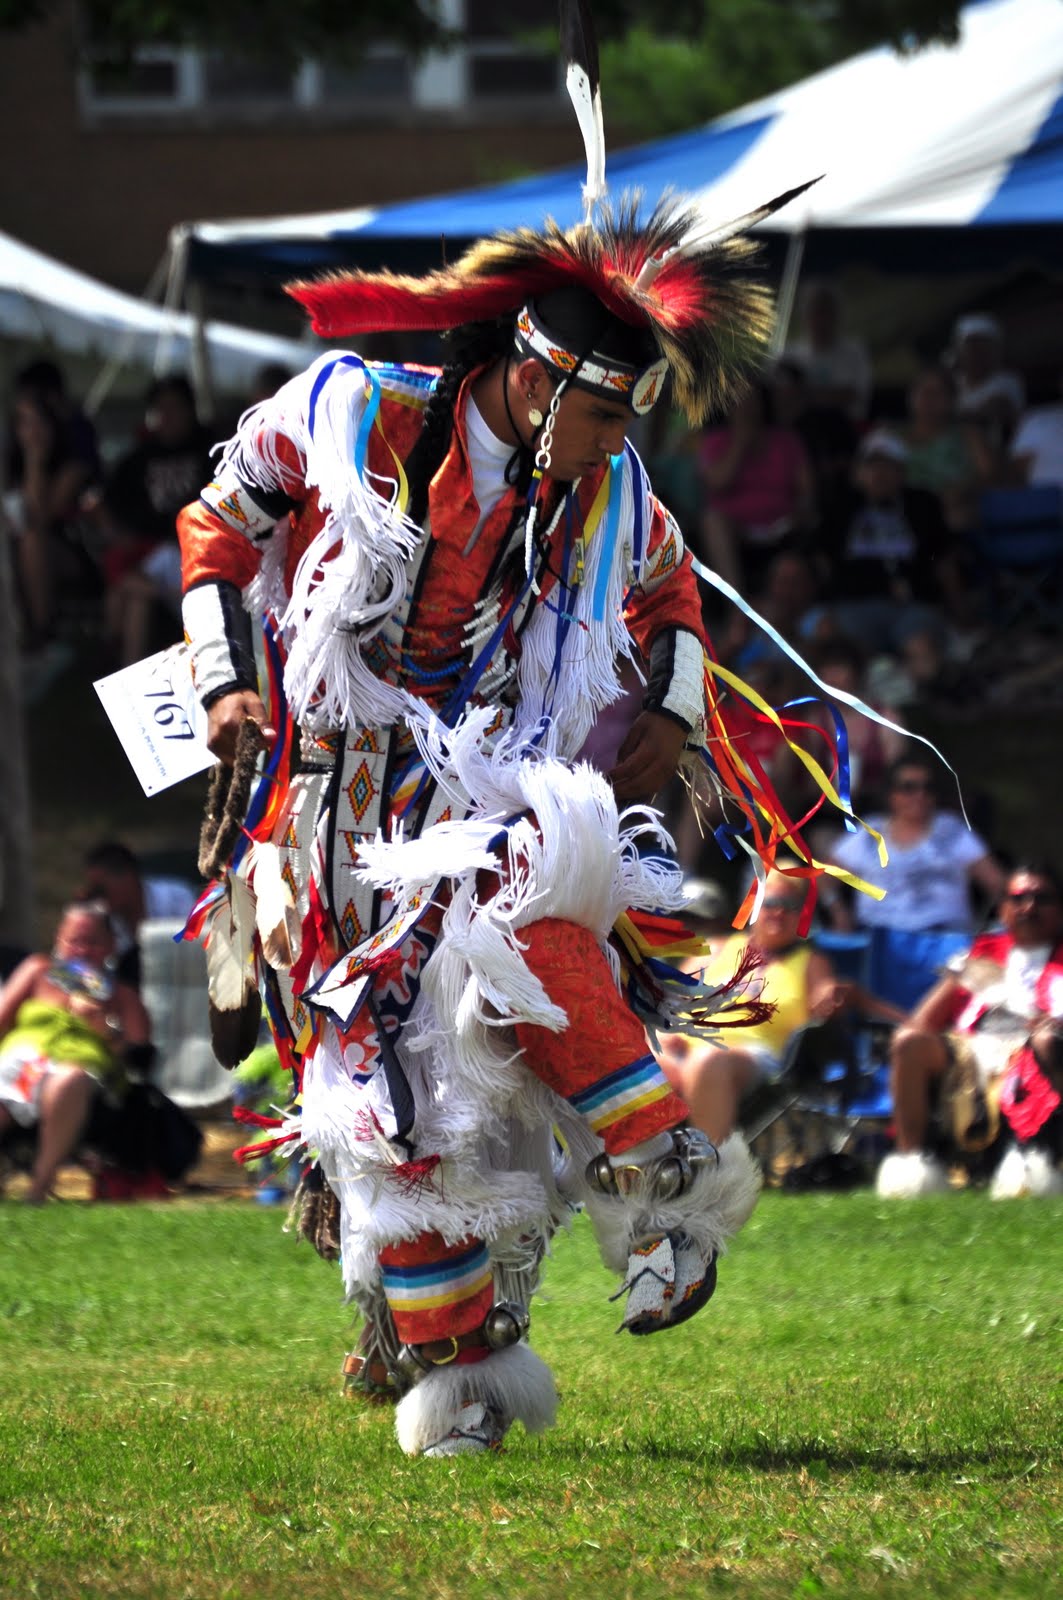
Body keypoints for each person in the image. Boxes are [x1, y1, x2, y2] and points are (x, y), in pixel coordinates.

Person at [173, 162, 846, 1456]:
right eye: (607, 414)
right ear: (536, 380)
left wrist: (672, 708)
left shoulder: (599, 495)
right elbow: (216, 521)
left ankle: (669, 1192)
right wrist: (218, 683)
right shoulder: (349, 412)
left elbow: (668, 597)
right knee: (389, 1102)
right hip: (324, 810)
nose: (618, 445)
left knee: (533, 938)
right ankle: (455, 1375)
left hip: (475, 785)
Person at [658, 871, 904, 1144]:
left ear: (802, 916)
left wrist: (832, 998)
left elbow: (824, 1004)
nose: (779, 913)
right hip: (686, 1048)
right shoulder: (718, 948)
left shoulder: (810, 960)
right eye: (770, 903)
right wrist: (664, 1035)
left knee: (707, 1062)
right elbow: (669, 1004)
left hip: (756, 1054)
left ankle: (710, 1167)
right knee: (644, 1064)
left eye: (790, 907)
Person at [878, 863, 1063, 1199]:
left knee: (1045, 1042)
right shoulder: (982, 952)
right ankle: (913, 1169)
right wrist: (956, 978)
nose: (1029, 906)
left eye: (1042, 898)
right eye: (1019, 898)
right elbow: (922, 1023)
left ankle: (1039, 1163)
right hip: (972, 1049)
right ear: (1004, 908)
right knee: (908, 1043)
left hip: (1038, 1046)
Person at [0, 901, 150, 1203]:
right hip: (24, 1059)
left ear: (111, 946)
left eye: (93, 942)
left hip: (81, 1071)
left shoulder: (121, 994)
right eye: (75, 941)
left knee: (68, 1079)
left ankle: (38, 1188)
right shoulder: (37, 970)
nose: (82, 950)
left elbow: (141, 1058)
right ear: (59, 940)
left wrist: (104, 1028)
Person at [99, 376, 215, 665]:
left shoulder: (211, 451)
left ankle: (116, 656)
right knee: (133, 594)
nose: (167, 417)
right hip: (153, 555)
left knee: (131, 589)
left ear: (190, 410)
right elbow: (107, 503)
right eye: (160, 410)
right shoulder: (137, 460)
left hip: (198, 554)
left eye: (174, 408)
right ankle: (126, 672)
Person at [827, 751, 1006, 937]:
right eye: (908, 787)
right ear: (891, 794)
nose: (919, 795)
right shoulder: (869, 833)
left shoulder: (953, 831)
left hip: (944, 939)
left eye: (927, 788)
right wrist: (838, 912)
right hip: (879, 941)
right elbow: (823, 877)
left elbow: (997, 884)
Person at [696, 379, 816, 595]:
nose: (747, 407)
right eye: (739, 402)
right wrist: (741, 443)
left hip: (783, 524)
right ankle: (736, 601)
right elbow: (717, 482)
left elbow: (806, 490)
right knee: (711, 521)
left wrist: (802, 511)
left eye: (753, 400)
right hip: (735, 527)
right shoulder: (716, 442)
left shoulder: (787, 441)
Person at [81, 840, 195, 989]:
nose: (98, 897)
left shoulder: (176, 898)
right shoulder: (101, 919)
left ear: (128, 877)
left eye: (100, 889)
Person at [783, 280, 872, 423]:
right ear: (805, 315)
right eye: (815, 311)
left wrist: (804, 395)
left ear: (837, 315)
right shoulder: (788, 355)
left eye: (826, 312)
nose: (821, 319)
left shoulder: (854, 353)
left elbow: (854, 395)